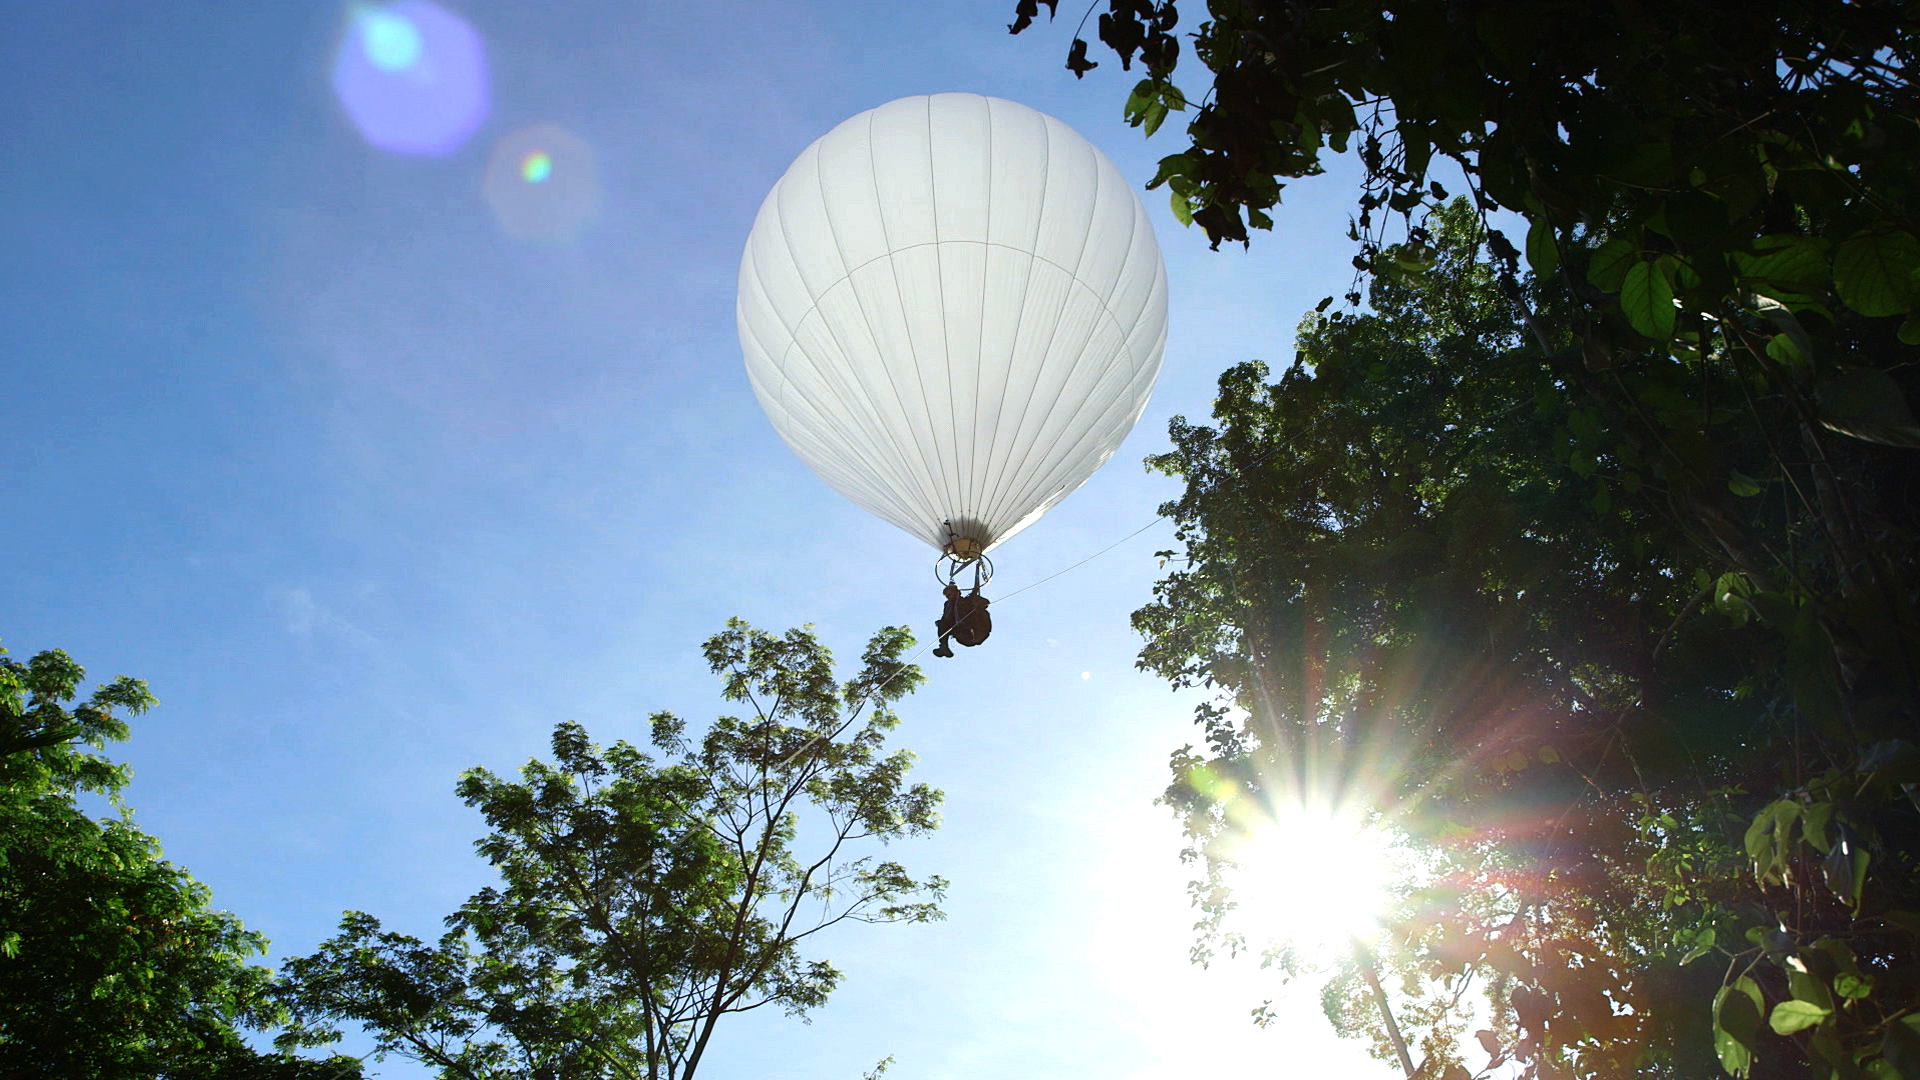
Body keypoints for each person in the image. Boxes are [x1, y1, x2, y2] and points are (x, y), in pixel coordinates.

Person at [932, 583, 992, 658]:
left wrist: (976, 600)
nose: (949, 597)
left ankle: (969, 630)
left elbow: (986, 603)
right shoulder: (948, 605)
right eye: (947, 596)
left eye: (950, 594)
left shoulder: (968, 600)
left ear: (957, 592)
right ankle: (944, 647)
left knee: (975, 612)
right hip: (961, 633)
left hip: (977, 629)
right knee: (943, 623)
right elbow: (946, 620)